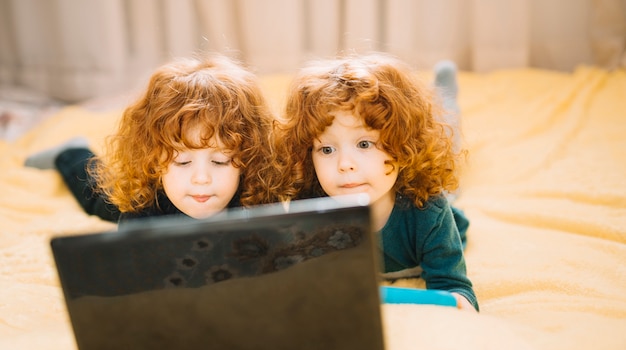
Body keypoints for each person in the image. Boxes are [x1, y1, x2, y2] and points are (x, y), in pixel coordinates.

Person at [274, 53, 479, 311]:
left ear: (403, 145)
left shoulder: (429, 210)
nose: (344, 164)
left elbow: (457, 291)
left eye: (364, 144)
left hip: (422, 194)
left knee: (448, 166)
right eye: (326, 149)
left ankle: (444, 88)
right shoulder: (307, 207)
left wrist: (459, 302)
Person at [25, 54, 281, 226]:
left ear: (249, 158)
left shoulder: (259, 203)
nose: (201, 178)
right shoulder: (141, 214)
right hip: (150, 198)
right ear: (152, 158)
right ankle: (72, 152)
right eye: (182, 162)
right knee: (98, 198)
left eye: (220, 161)